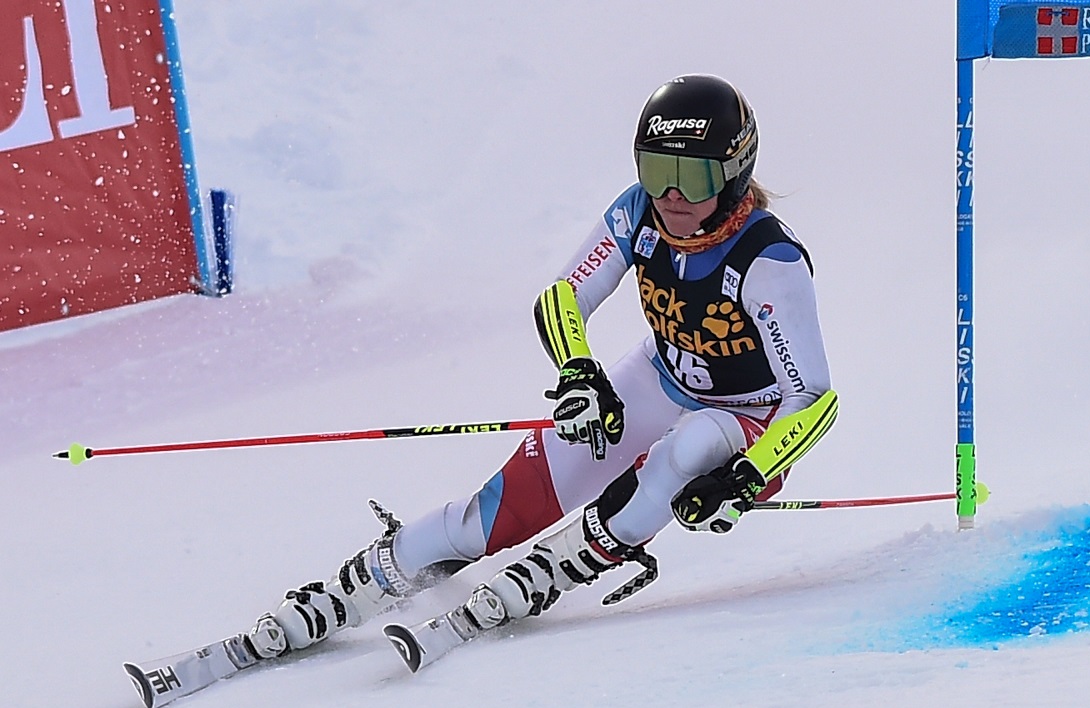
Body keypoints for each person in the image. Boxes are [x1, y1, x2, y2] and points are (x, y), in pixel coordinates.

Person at [235, 74, 837, 663]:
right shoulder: (638, 213)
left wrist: (746, 477)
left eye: (693, 176)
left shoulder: (769, 260)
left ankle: (555, 567)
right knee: (491, 515)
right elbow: (563, 295)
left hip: (754, 417)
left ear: (734, 174)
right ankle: (357, 586)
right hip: (662, 377)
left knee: (687, 450)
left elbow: (810, 398)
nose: (671, 195)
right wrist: (579, 372)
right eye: (657, 171)